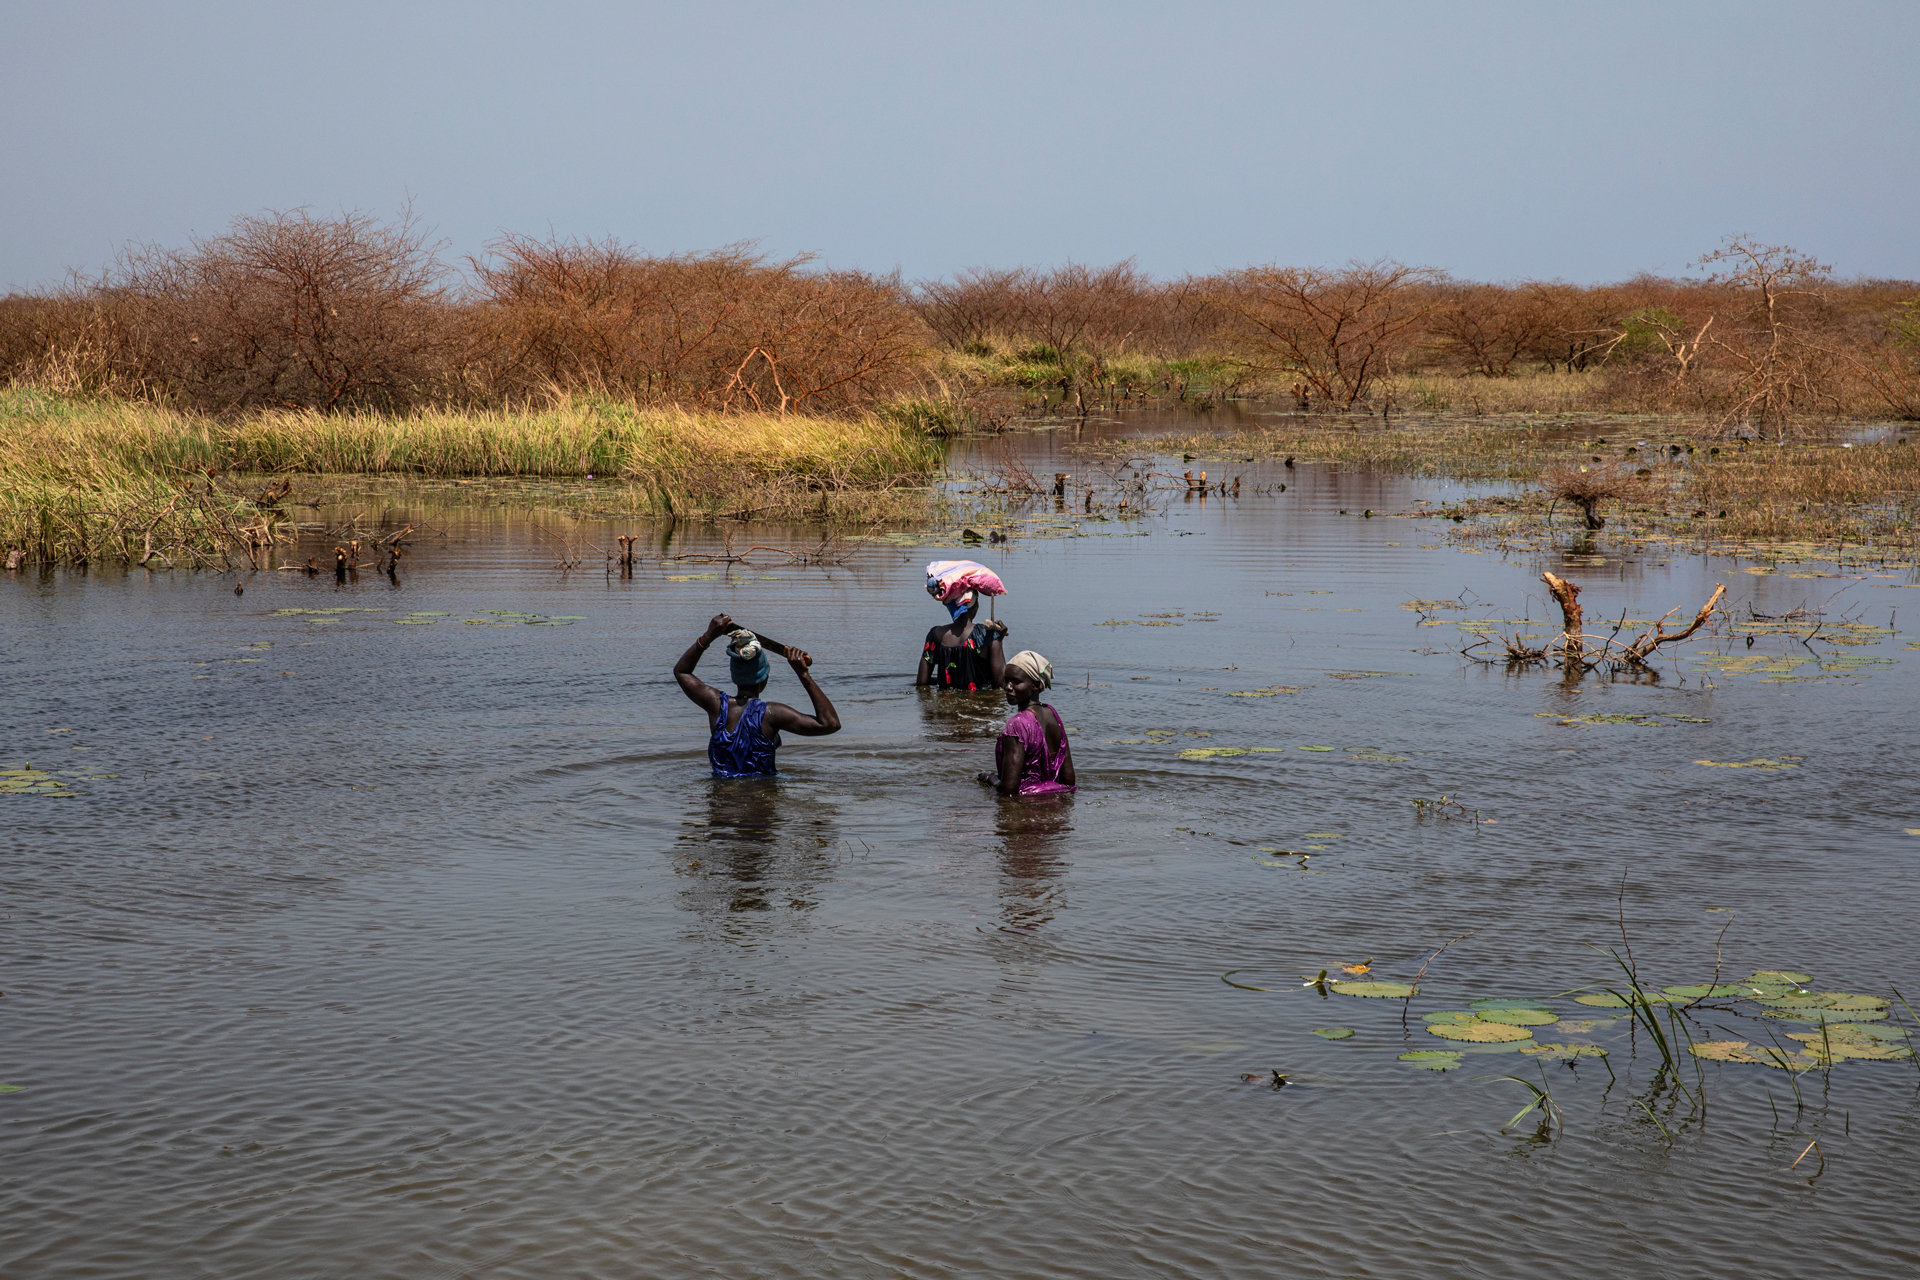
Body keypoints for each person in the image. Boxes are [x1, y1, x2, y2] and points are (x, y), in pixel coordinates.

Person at [674, 614, 840, 777]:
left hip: (721, 800)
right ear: (765, 678)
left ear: (734, 675)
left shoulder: (716, 705)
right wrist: (804, 675)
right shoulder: (773, 714)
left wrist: (708, 637)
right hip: (760, 801)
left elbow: (682, 672)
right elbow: (830, 724)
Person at [977, 649, 1076, 797]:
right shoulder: (1052, 714)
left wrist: (992, 778)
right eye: (1006, 680)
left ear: (1035, 685)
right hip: (1054, 811)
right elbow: (1069, 780)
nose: (1008, 687)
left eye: (1016, 682)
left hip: (1028, 809)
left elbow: (1009, 790)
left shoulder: (1017, 724)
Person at [916, 591, 1008, 691]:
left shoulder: (935, 635)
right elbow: (1000, 684)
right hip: (978, 704)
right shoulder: (986, 635)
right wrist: (998, 640)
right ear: (976, 606)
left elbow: (922, 683)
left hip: (946, 705)